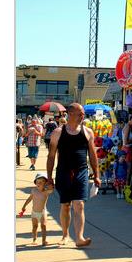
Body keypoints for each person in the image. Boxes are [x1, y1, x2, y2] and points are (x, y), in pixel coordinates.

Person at [46, 102, 100, 247]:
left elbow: (93, 155)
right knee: (65, 205)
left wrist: (96, 175)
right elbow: (51, 156)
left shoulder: (87, 132)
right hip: (63, 172)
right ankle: (65, 235)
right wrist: (49, 177)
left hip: (81, 171)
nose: (83, 116)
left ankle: (79, 237)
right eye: (80, 114)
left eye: (83, 114)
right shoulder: (58, 132)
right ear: (70, 114)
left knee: (79, 204)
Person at [17, 173, 55, 246]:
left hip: (42, 212)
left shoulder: (46, 192)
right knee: (34, 227)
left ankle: (44, 241)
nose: (39, 184)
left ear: (45, 183)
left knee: (43, 226)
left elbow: (52, 189)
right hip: (34, 212)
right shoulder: (34, 190)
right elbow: (29, 199)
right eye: (37, 182)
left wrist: (51, 182)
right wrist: (24, 206)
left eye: (41, 182)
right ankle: (34, 239)